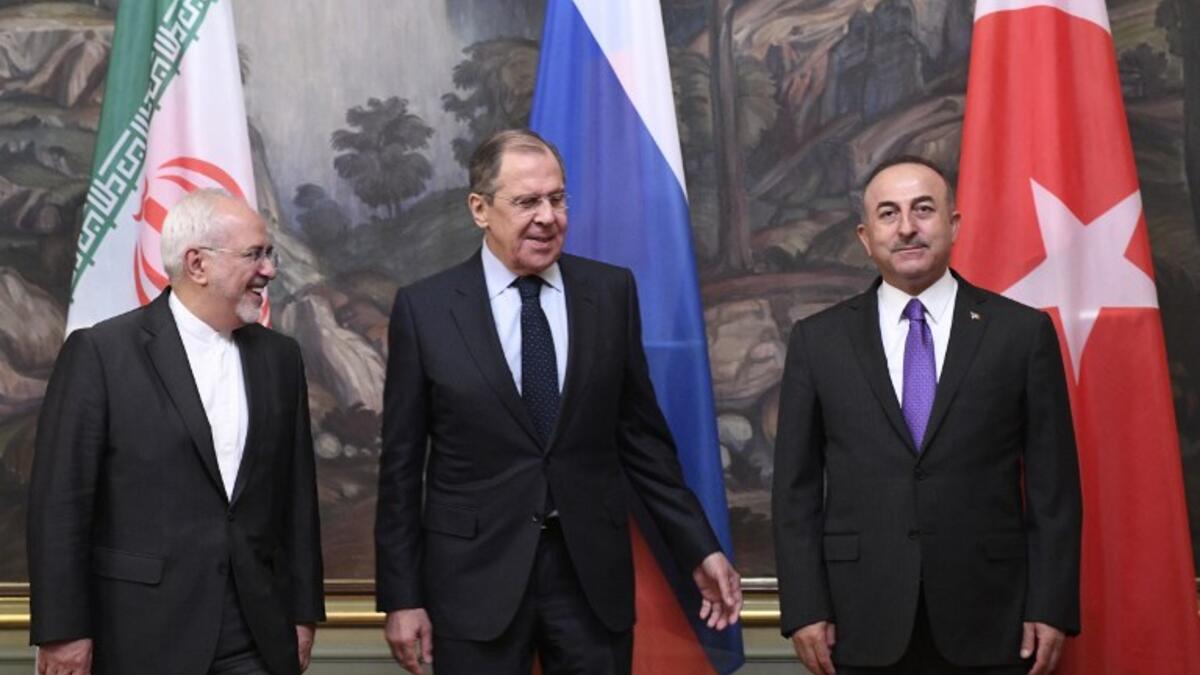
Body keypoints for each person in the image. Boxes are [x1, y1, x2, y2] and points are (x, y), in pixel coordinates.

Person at [375, 128, 741, 675]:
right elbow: (401, 469)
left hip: (589, 580)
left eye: (557, 198)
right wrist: (403, 598)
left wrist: (699, 547)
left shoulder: (610, 293)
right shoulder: (425, 309)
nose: (547, 216)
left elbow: (642, 442)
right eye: (526, 202)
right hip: (474, 581)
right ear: (480, 208)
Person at [772, 156, 1082, 675]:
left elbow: (1055, 491)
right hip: (858, 618)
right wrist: (804, 607)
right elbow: (795, 492)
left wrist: (1050, 605)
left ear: (953, 224)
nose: (908, 227)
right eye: (888, 214)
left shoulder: (1021, 334)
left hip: (992, 615)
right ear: (866, 237)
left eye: (923, 209)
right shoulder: (818, 341)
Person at [27, 189, 325, 675]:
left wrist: (303, 614)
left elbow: (297, 498)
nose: (269, 270)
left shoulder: (280, 359)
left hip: (256, 632)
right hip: (140, 633)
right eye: (254, 254)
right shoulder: (101, 354)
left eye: (268, 254)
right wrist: (63, 631)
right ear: (198, 264)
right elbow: (61, 504)